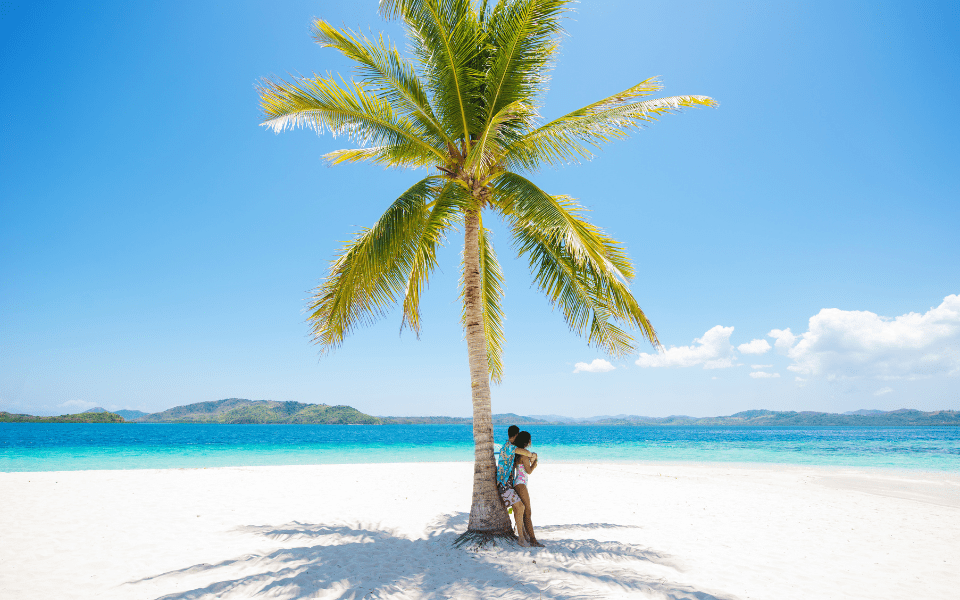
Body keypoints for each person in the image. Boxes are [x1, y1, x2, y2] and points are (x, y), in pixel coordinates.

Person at [497, 425, 537, 545]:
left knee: (519, 508)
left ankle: (523, 535)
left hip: (508, 484)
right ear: (515, 435)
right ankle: (521, 538)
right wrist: (534, 457)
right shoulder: (509, 447)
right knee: (520, 508)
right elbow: (526, 453)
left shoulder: (508, 446)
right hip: (504, 485)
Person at [512, 430, 542, 546]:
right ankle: (533, 539)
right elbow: (528, 471)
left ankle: (527, 536)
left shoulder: (519, 454)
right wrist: (535, 464)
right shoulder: (524, 455)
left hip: (518, 483)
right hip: (521, 484)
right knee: (528, 512)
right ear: (527, 441)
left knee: (525, 511)